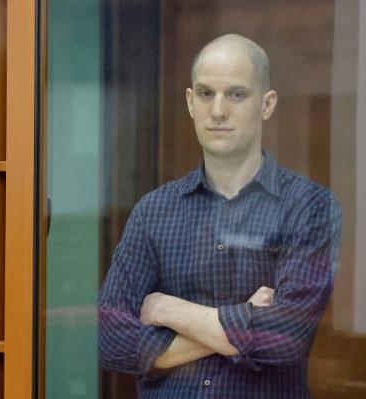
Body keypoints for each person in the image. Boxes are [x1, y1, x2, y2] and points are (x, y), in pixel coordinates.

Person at [98, 33, 342, 398]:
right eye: (206, 93)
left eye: (237, 94)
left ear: (267, 104)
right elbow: (111, 339)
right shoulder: (154, 211)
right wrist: (246, 318)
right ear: (190, 102)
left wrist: (168, 309)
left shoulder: (309, 206)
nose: (218, 110)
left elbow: (285, 338)